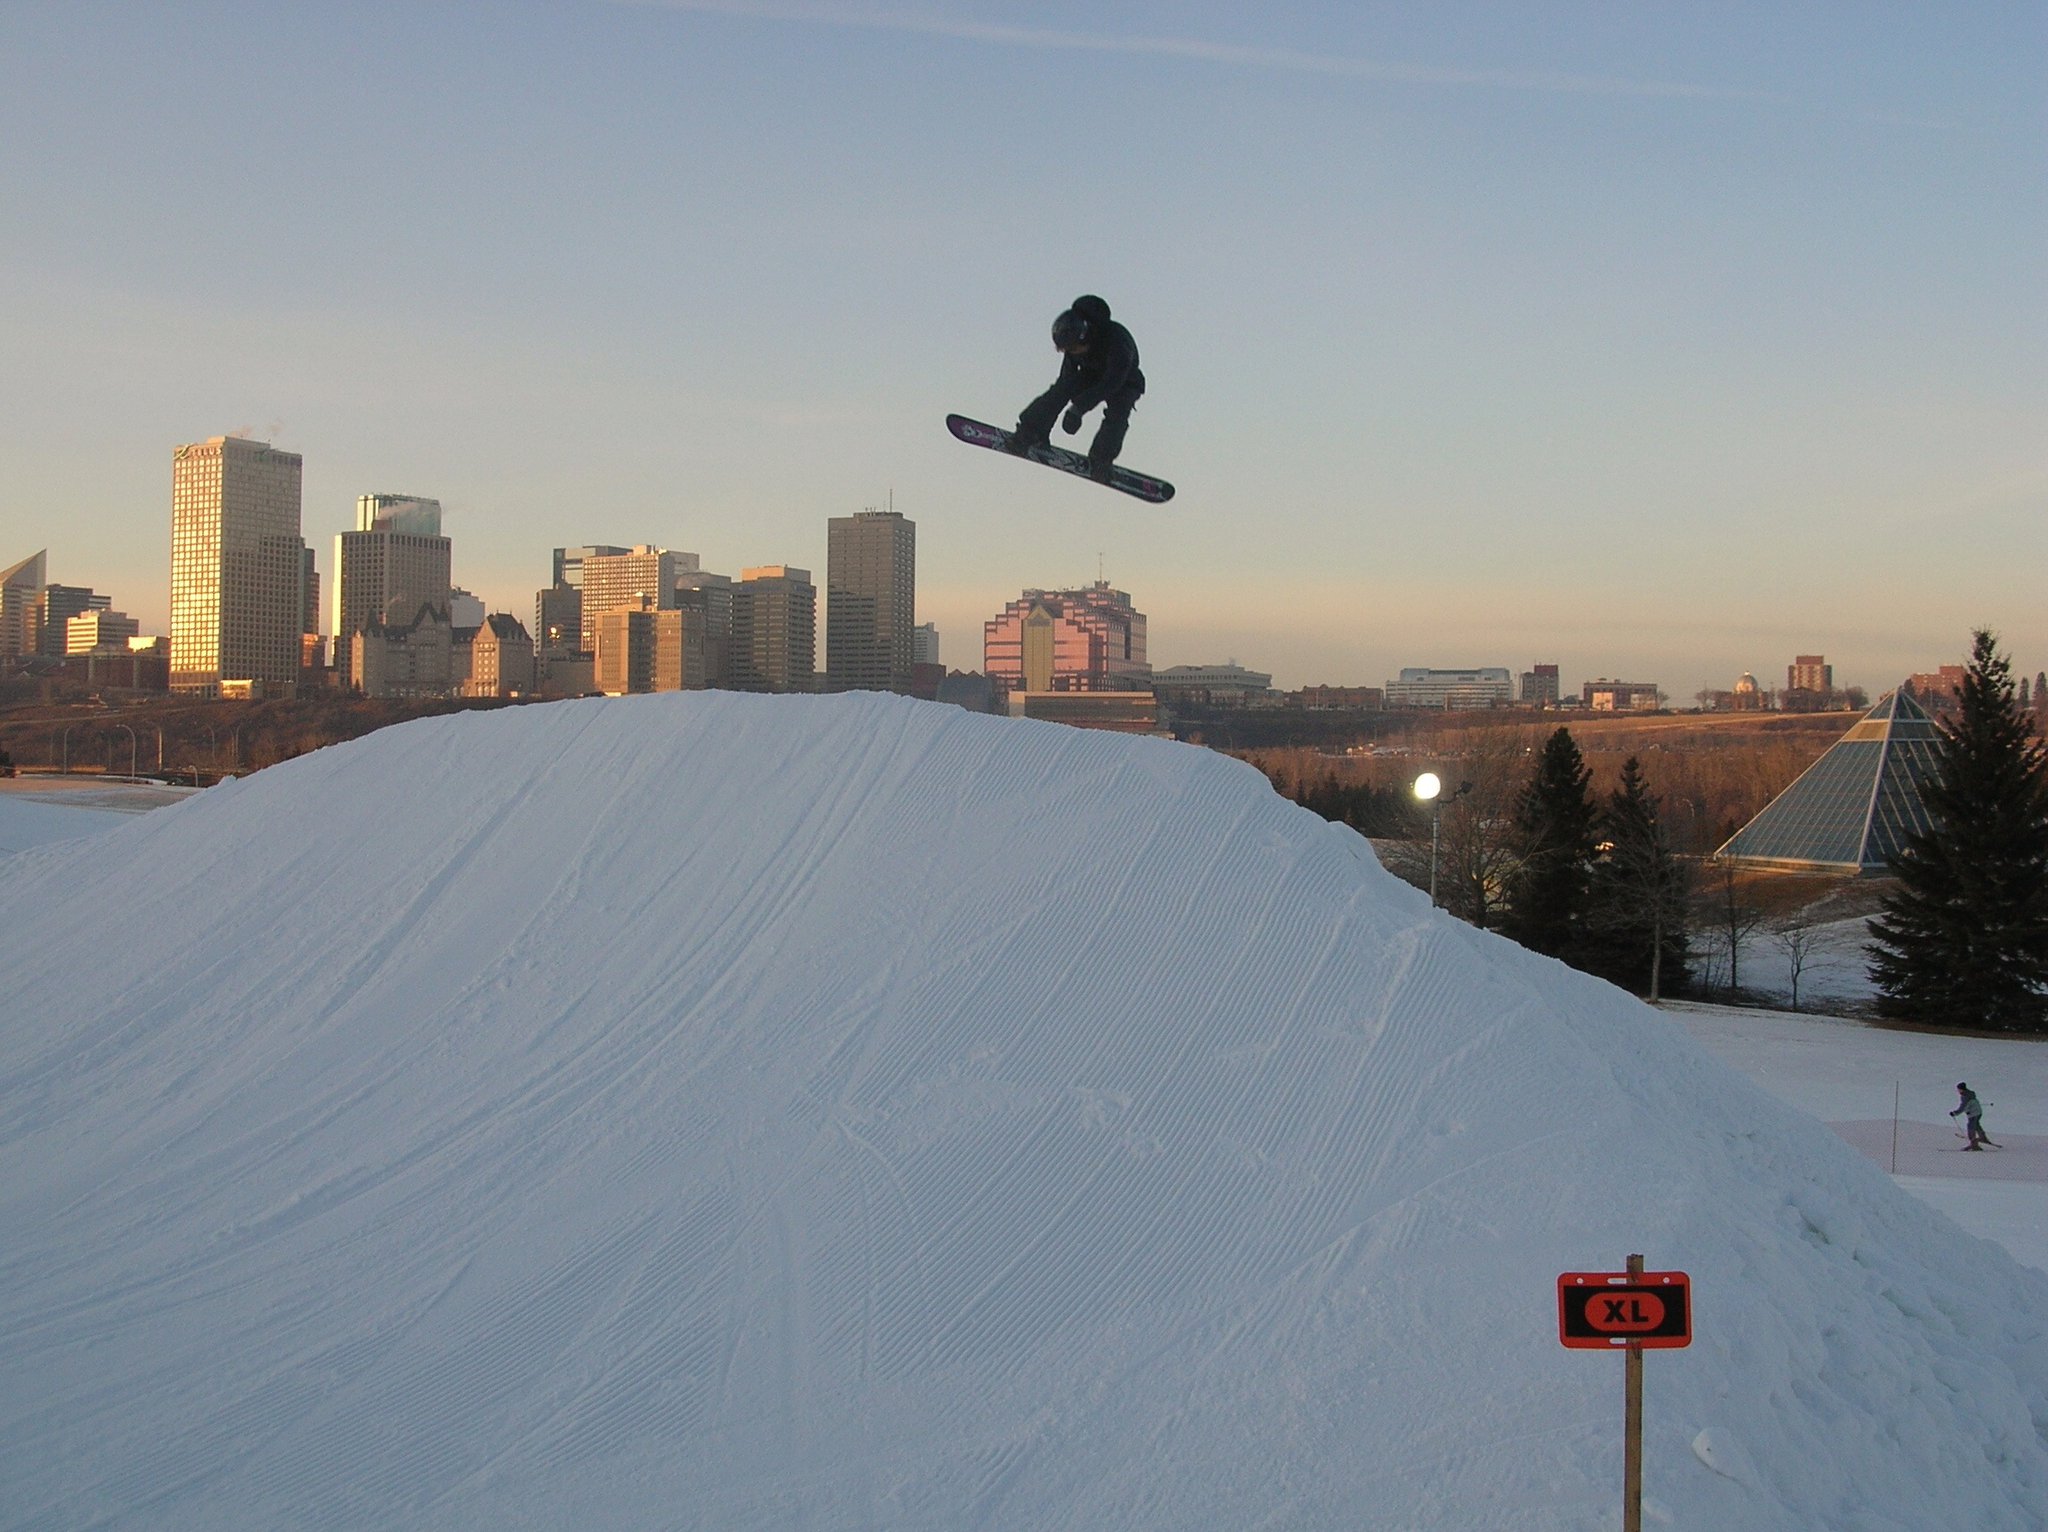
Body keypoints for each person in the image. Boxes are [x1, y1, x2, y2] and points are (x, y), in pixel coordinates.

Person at [1007, 294, 1145, 482]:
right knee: (1062, 389)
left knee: (1118, 412)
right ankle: (1029, 432)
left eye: (1071, 350)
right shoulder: (1074, 346)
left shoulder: (1117, 342)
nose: (1069, 354)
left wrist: (1077, 409)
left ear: (1084, 338)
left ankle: (1101, 460)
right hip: (1093, 373)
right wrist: (1041, 428)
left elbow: (1112, 382)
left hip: (1124, 378)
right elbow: (1062, 386)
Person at [1950, 1082, 1993, 1149]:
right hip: (1978, 1112)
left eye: (1958, 1089)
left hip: (1973, 1114)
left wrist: (1955, 1113)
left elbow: (1963, 1107)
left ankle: (1974, 1145)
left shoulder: (1965, 1097)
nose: (1958, 1091)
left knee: (1971, 1127)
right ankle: (1983, 1137)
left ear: (1962, 1089)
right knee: (1976, 1125)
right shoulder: (1970, 1094)